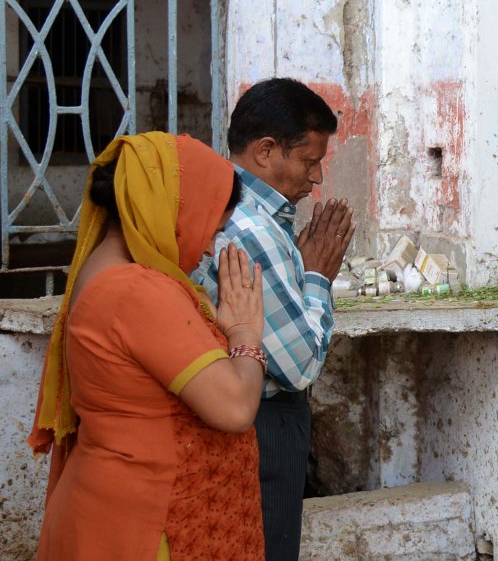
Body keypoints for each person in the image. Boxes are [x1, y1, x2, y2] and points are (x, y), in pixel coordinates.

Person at [29, 131, 267, 559]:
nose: (212, 247)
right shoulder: (136, 290)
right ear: (174, 212)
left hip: (125, 510)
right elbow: (234, 407)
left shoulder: (116, 272)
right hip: (141, 525)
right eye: (211, 229)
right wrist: (247, 333)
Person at [191, 78, 355, 561]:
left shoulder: (239, 212)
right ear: (266, 151)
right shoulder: (251, 225)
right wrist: (318, 277)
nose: (317, 178)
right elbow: (300, 363)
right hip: (261, 420)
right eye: (309, 160)